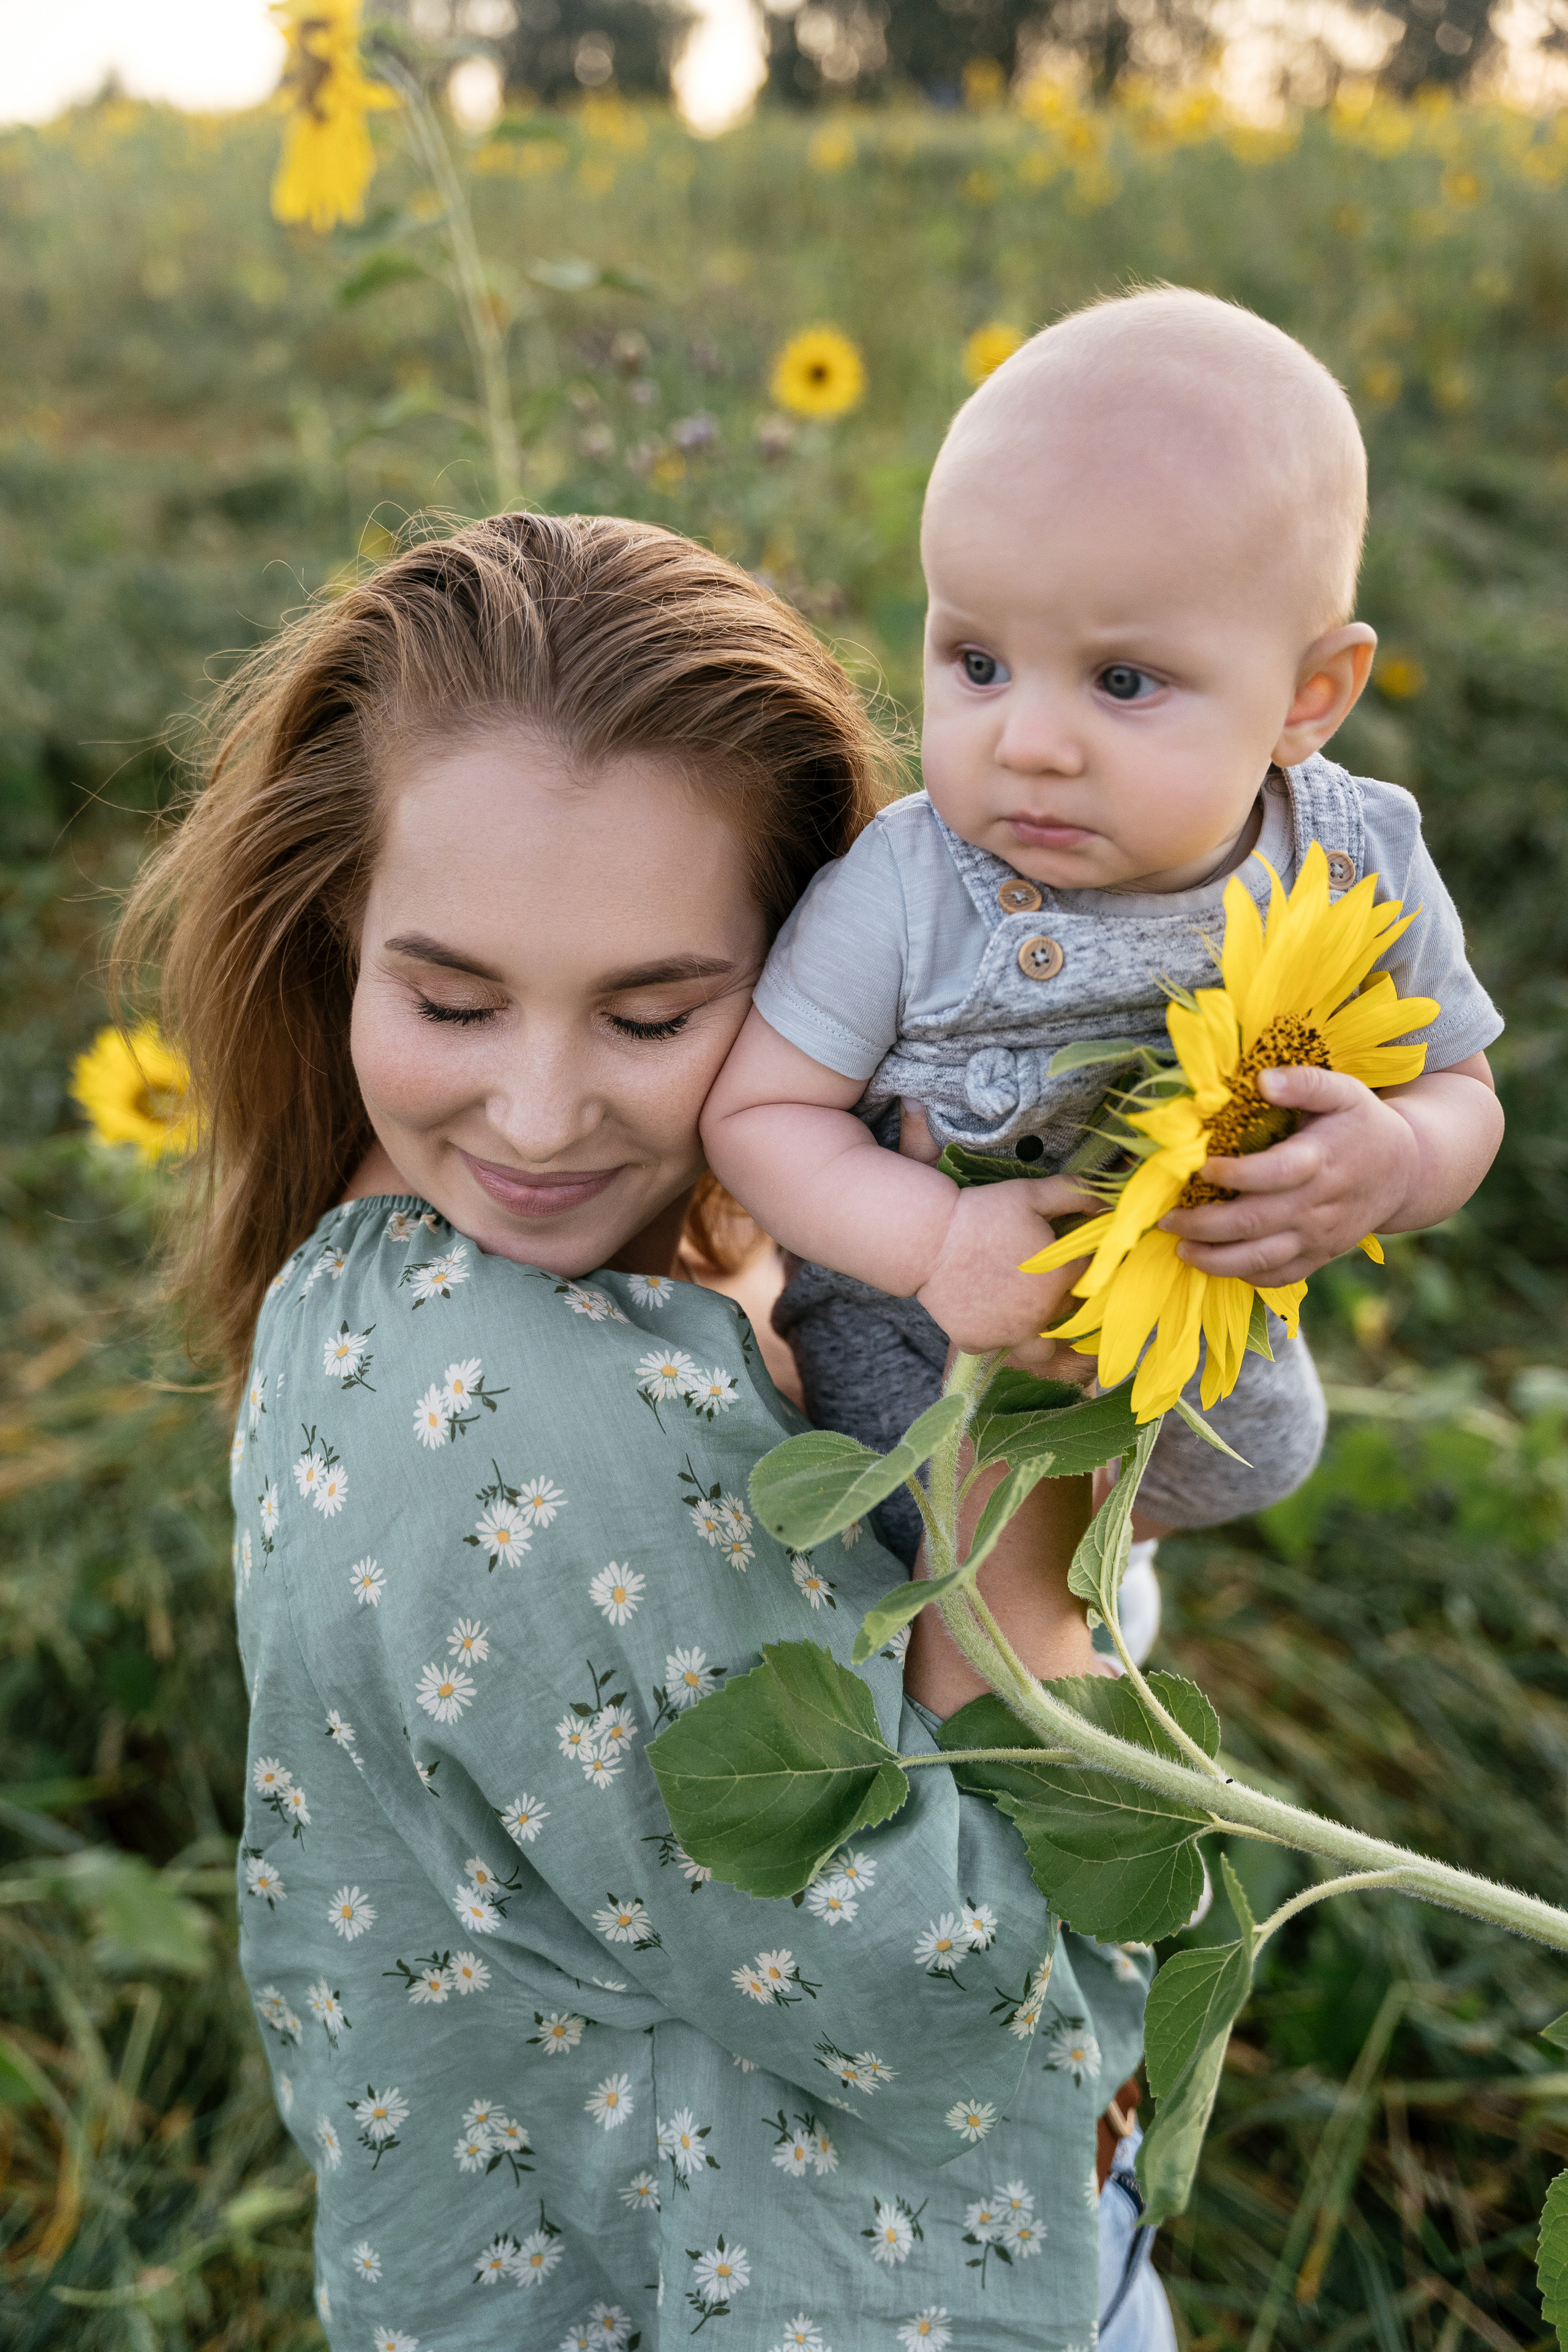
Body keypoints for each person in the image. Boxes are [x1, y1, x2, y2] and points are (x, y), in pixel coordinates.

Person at [118, 513, 1163, 2349]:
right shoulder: (516, 1414)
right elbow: (982, 1989)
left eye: (655, 1011)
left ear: (818, 961)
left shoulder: (566, 1265)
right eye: (449, 999)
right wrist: (1014, 1475)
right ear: (335, 924)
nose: (536, 1117)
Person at [701, 287, 1505, 1605]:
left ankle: (1103, 1566)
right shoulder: (910, 885)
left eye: (1121, 682)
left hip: (1189, 1330)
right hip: (928, 1344)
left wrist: (1394, 1158)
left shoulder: (1356, 856)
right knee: (892, 1570)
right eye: (975, 661)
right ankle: (991, 1653)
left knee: (1263, 1455)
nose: (1026, 742)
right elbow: (759, 1112)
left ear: (1309, 697)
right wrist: (926, 1245)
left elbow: (1458, 1090)